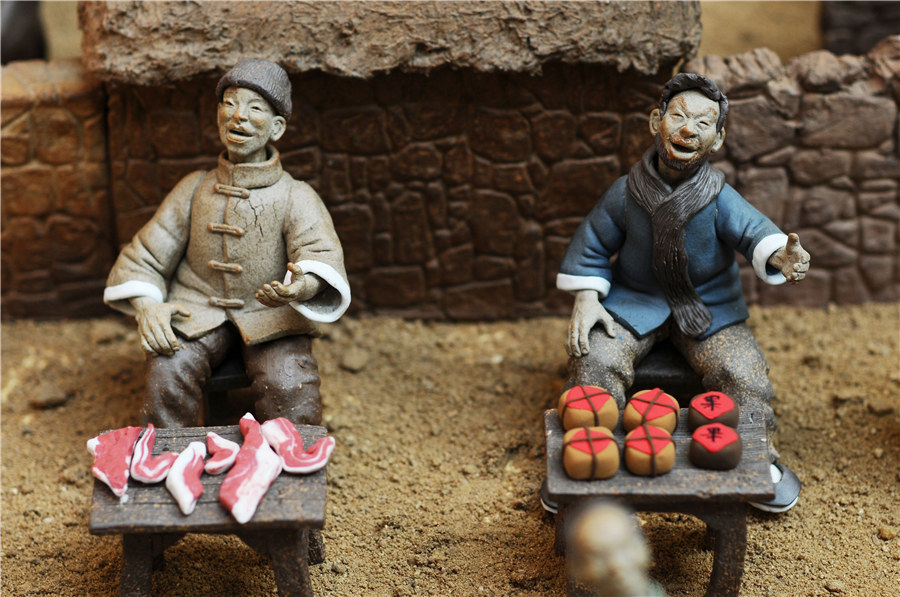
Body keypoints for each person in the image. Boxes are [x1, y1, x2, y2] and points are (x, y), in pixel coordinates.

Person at [555, 73, 808, 513]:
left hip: (709, 306)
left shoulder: (720, 196)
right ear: (657, 121)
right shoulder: (625, 192)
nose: (688, 130)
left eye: (702, 123)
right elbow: (592, 244)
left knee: (743, 372)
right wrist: (587, 297)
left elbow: (755, 231)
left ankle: (756, 458)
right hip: (634, 302)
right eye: (678, 117)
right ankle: (587, 458)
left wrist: (779, 256)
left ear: (718, 139)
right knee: (594, 358)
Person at [104, 58, 350, 428]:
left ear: (277, 128)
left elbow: (320, 253)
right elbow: (145, 256)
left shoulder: (295, 196)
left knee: (289, 382)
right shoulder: (193, 189)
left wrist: (301, 287)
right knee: (167, 371)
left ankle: (294, 456)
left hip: (272, 315)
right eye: (230, 104)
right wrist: (148, 307)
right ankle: (169, 456)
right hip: (195, 310)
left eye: (255, 109)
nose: (238, 116)